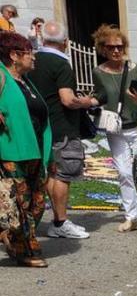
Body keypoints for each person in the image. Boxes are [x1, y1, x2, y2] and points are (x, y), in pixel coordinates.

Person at [28, 21, 94, 241]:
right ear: (65, 43)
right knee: (63, 174)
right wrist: (86, 102)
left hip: (40, 126)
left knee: (50, 173)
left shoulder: (33, 61)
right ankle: (60, 221)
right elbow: (67, 99)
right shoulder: (61, 63)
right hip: (62, 126)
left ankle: (57, 218)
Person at [0, 31, 51, 266]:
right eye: (29, 53)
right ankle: (26, 249)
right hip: (11, 152)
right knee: (19, 206)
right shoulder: (1, 77)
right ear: (14, 55)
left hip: (37, 152)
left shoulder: (26, 82)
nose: (34, 57)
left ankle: (13, 239)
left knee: (37, 203)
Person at [91, 24, 137, 232]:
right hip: (115, 128)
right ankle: (131, 216)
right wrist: (91, 101)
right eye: (111, 47)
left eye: (120, 46)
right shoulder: (98, 72)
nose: (116, 50)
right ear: (103, 48)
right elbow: (100, 95)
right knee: (124, 172)